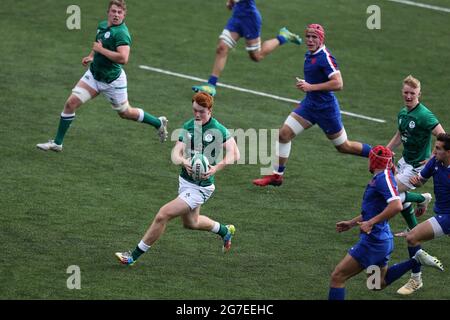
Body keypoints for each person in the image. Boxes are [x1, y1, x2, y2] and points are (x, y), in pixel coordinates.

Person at [115, 92, 240, 265]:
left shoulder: (219, 129)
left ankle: (133, 256)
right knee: (191, 223)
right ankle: (225, 231)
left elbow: (235, 154)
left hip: (200, 188)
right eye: (195, 110)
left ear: (210, 110)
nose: (197, 114)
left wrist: (215, 169)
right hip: (185, 182)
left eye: (201, 111)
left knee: (163, 215)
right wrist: (183, 161)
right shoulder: (189, 126)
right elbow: (176, 152)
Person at [37, 0, 168, 152]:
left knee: (126, 113)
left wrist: (101, 50)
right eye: (113, 11)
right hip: (94, 75)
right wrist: (92, 55)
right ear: (108, 13)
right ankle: (57, 143)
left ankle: (157, 123)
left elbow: (123, 58)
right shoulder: (102, 25)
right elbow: (99, 43)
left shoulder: (122, 34)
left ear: (124, 15)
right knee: (70, 104)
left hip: (112, 81)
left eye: (120, 12)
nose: (116, 15)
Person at [253, 24, 372, 187]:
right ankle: (276, 175)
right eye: (308, 36)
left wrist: (310, 87)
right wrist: (309, 86)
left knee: (344, 146)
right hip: (309, 105)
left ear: (321, 39)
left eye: (314, 37)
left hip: (326, 109)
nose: (310, 40)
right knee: (283, 134)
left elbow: (338, 83)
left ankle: (381, 155)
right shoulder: (310, 54)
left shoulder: (325, 57)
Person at [328, 145, 443, 300]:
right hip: (382, 240)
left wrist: (370, 223)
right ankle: (415, 260)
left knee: (338, 277)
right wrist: (351, 223)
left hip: (373, 241)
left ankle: (416, 259)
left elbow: (396, 206)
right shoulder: (385, 177)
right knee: (375, 284)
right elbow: (374, 210)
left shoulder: (383, 179)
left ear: (373, 161)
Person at [386, 75, 445, 295]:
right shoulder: (403, 113)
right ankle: (422, 201)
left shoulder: (425, 114)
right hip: (404, 162)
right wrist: (386, 150)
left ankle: (420, 199)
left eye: (412, 93)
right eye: (406, 93)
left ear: (419, 94)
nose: (409, 96)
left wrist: (430, 158)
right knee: (391, 195)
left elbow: (442, 136)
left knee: (390, 194)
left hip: (418, 168)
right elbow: (400, 135)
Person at [192, 0, 302, 97]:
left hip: (250, 19)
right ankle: (211, 85)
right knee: (222, 48)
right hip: (237, 16)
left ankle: (283, 37)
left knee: (256, 56)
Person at [395, 133, 450, 290]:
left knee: (412, 237)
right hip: (441, 211)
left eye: (438, 149)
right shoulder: (434, 162)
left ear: (449, 152)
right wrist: (416, 182)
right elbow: (421, 181)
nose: (434, 151)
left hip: (447, 216)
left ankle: (416, 279)